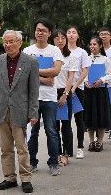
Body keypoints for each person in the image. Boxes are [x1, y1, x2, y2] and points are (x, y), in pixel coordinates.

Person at [0, 30, 39, 193]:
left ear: (19, 42)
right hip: (0, 110)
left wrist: (33, 112)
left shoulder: (30, 62)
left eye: (11, 41)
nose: (8, 45)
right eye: (5, 42)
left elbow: (34, 90)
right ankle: (9, 178)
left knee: (22, 148)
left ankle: (26, 179)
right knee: (5, 148)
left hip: (20, 110)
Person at [23, 18, 63, 176]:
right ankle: (32, 162)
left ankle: (53, 162)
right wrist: (44, 79)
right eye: (38, 30)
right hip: (32, 98)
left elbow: (56, 71)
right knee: (32, 132)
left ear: (49, 33)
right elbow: (24, 73)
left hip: (49, 98)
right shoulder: (27, 51)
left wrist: (34, 71)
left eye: (43, 31)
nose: (40, 33)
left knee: (51, 131)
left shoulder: (54, 51)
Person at [63, 25, 90, 160]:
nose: (71, 34)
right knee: (65, 120)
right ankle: (67, 149)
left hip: (77, 89)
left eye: (74, 32)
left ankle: (80, 147)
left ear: (78, 35)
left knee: (79, 119)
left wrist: (74, 87)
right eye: (69, 32)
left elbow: (85, 71)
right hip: (63, 88)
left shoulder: (82, 52)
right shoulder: (61, 51)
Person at [82, 36, 111, 152]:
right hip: (89, 90)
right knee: (89, 115)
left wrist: (101, 80)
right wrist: (85, 82)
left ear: (100, 46)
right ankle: (91, 141)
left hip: (100, 91)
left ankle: (100, 141)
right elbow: (82, 73)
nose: (92, 46)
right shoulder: (86, 59)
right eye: (90, 44)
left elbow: (110, 74)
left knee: (101, 115)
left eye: (94, 44)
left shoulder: (105, 59)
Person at [51, 30, 73, 166]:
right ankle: (57, 153)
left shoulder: (70, 57)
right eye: (57, 38)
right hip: (50, 92)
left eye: (63, 38)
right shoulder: (50, 55)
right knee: (53, 126)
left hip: (64, 92)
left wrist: (65, 94)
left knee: (66, 125)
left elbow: (71, 77)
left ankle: (66, 154)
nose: (60, 41)